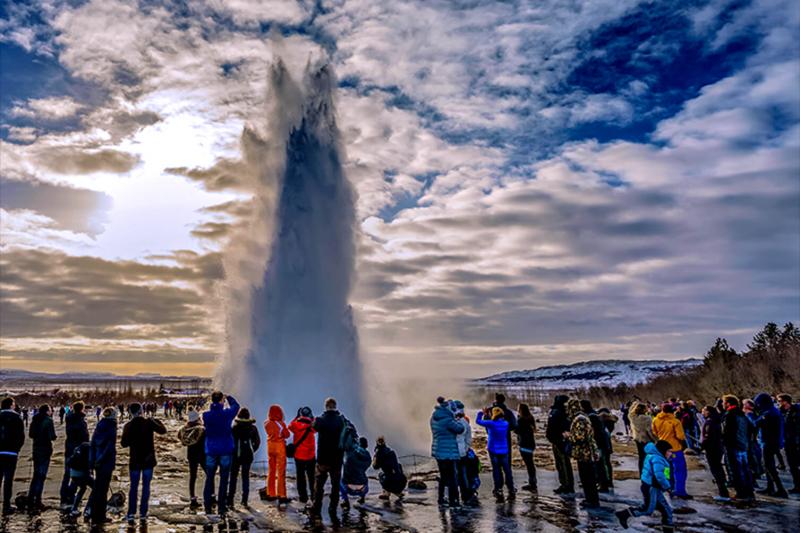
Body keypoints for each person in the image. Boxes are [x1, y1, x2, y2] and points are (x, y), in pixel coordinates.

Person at [121, 402, 167, 524]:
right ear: (141, 411)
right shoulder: (148, 422)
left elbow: (123, 443)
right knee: (146, 487)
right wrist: (155, 420)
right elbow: (163, 431)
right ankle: (143, 513)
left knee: (133, 487)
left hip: (135, 460)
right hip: (148, 460)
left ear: (130, 412)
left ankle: (131, 513)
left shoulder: (128, 425)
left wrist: (133, 439)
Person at [615, 440, 674, 533]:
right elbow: (659, 476)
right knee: (648, 509)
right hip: (652, 487)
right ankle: (624, 514)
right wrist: (667, 487)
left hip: (653, 487)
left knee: (666, 509)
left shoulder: (655, 456)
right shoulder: (658, 459)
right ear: (663, 451)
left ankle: (668, 528)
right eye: (669, 451)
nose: (671, 454)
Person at [311, 397, 349, 524]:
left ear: (326, 406)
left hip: (323, 459)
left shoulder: (321, 420)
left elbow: (313, 428)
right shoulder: (341, 420)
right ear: (335, 406)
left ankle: (316, 508)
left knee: (319, 485)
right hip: (337, 459)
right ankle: (333, 509)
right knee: (335, 485)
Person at [202, 391, 239, 517]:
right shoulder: (227, 414)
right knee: (224, 479)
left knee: (209, 478)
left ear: (212, 400)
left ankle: (207, 506)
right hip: (225, 449)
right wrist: (228, 396)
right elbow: (236, 406)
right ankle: (221, 507)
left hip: (211, 450)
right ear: (222, 401)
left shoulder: (206, 415)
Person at [430, 396, 465, 507]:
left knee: (443, 476)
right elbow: (460, 429)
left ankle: (441, 498)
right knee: (452, 477)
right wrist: (456, 419)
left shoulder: (434, 418)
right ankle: (453, 500)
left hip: (438, 450)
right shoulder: (448, 421)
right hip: (449, 452)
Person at [477, 406, 516, 502]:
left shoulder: (491, 424)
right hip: (504, 449)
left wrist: (482, 414)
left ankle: (498, 488)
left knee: (496, 470)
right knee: (507, 470)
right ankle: (511, 488)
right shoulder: (505, 423)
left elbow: (478, 421)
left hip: (493, 449)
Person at [652, 403, 691, 499]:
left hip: (662, 449)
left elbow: (654, 433)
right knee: (680, 470)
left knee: (667, 469)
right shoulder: (675, 421)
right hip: (674, 448)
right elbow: (680, 436)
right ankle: (680, 491)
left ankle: (669, 488)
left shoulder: (655, 420)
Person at [565, 399, 599, 508]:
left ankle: (592, 500)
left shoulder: (579, 419)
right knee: (587, 478)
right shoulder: (582, 417)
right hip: (586, 452)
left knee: (587, 478)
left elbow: (580, 437)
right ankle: (591, 499)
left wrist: (569, 436)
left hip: (585, 453)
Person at [754, 393, 787, 497]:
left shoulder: (769, 413)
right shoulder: (773, 411)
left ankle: (780, 489)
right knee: (769, 465)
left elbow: (756, 423)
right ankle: (771, 487)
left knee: (769, 466)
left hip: (769, 442)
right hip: (772, 442)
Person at [722, 395, 754, 502]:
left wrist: (724, 442)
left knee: (736, 470)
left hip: (733, 445)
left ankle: (741, 493)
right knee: (745, 469)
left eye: (723, 402)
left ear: (728, 403)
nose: (722, 404)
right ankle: (749, 491)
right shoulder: (743, 414)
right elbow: (751, 429)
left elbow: (727, 432)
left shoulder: (730, 415)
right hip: (743, 445)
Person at [89, 407, 117, 524]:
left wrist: (92, 461)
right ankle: (100, 516)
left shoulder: (99, 425)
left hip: (97, 460)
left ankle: (94, 513)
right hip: (105, 462)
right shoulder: (112, 426)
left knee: (97, 488)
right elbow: (109, 447)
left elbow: (93, 443)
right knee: (103, 489)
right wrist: (101, 460)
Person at [27, 404, 57, 513]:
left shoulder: (34, 420)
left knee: (36, 475)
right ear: (46, 411)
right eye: (50, 410)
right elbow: (52, 436)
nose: (51, 411)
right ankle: (38, 500)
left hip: (36, 449)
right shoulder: (48, 421)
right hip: (45, 449)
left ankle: (31, 498)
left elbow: (31, 434)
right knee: (42, 475)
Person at [60, 401, 89, 508]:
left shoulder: (69, 419)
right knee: (76, 475)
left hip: (69, 448)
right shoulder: (81, 422)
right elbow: (85, 437)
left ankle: (64, 496)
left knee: (67, 474)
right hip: (78, 451)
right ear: (82, 409)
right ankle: (71, 496)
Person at [229, 408, 260, 508]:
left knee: (233, 477)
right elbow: (258, 442)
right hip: (248, 456)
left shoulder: (234, 427)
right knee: (245, 477)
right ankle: (244, 500)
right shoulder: (253, 428)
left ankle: (230, 500)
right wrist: (252, 450)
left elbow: (230, 442)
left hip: (236, 456)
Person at [0, 397, 24, 515]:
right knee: (8, 481)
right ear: (11, 405)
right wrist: (17, 449)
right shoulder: (16, 418)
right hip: (11, 453)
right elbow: (21, 436)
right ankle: (6, 505)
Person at [700, 405, 730, 501]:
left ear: (708, 412)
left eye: (704, 410)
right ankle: (724, 490)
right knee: (719, 469)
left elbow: (707, 437)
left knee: (716, 470)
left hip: (712, 449)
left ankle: (723, 493)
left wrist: (702, 446)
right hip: (718, 448)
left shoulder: (710, 422)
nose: (702, 413)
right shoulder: (717, 420)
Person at [178, 408, 206, 508]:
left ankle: (193, 498)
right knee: (209, 474)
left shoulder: (184, 429)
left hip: (191, 455)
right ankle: (210, 496)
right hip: (202, 454)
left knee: (193, 476)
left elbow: (180, 437)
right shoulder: (201, 429)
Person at [288, 407, 316, 506]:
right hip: (310, 456)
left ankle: (303, 497)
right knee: (312, 477)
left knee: (300, 477)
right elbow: (317, 426)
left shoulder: (295, 425)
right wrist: (311, 418)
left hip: (299, 456)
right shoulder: (312, 426)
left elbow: (290, 426)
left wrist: (296, 417)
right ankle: (313, 496)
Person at [546, 395, 574, 494]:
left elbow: (557, 427)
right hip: (558, 440)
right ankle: (566, 484)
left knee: (563, 463)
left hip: (559, 441)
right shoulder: (561, 412)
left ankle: (566, 485)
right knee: (563, 463)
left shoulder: (557, 413)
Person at [264, 404, 290, 505]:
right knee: (281, 472)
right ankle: (281, 494)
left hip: (270, 446)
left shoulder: (267, 423)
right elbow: (287, 435)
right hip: (279, 447)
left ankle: (271, 493)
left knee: (271, 470)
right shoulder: (281, 424)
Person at [451, 400, 475, 504]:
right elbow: (469, 440)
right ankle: (466, 494)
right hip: (462, 453)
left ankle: (455, 496)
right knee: (463, 473)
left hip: (453, 453)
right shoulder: (466, 423)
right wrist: (465, 449)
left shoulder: (452, 424)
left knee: (453, 475)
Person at [340, 436, 371, 510]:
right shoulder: (367, 456)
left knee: (340, 481)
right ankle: (362, 497)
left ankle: (345, 500)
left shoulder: (348, 454)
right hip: (362, 488)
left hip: (348, 487)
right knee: (364, 478)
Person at [777, 393, 800, 493]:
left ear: (786, 401)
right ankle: (797, 485)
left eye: (780, 401)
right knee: (792, 466)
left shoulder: (796, 412)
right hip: (788, 442)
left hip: (796, 442)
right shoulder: (782, 412)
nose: (779, 403)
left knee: (795, 465)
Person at [372, 436, 406, 501]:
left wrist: (375, 459)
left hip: (390, 482)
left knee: (380, 475)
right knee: (397, 468)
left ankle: (386, 493)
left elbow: (375, 467)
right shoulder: (391, 451)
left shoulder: (379, 454)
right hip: (402, 482)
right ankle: (398, 492)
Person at [66, 441, 93, 518]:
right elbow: (90, 463)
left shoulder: (79, 448)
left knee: (83, 488)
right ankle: (88, 509)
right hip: (81, 474)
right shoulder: (89, 449)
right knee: (95, 488)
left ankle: (74, 508)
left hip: (73, 473)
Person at [515, 403, 537, 493]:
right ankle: (533, 482)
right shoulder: (530, 418)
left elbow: (516, 430)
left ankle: (532, 483)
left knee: (529, 464)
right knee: (530, 464)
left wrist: (517, 419)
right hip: (531, 443)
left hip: (524, 443)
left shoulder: (521, 420)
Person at [743, 399, 765, 486]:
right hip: (752, 439)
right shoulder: (755, 414)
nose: (743, 406)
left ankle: (754, 478)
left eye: (745, 404)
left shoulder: (750, 415)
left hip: (751, 440)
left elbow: (753, 425)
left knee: (751, 459)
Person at [630, 401, 656, 474]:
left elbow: (630, 413)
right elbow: (649, 431)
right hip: (646, 439)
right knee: (648, 457)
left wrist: (634, 404)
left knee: (641, 457)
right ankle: (648, 474)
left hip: (638, 439)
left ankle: (642, 473)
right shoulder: (647, 418)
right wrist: (655, 440)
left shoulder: (633, 418)